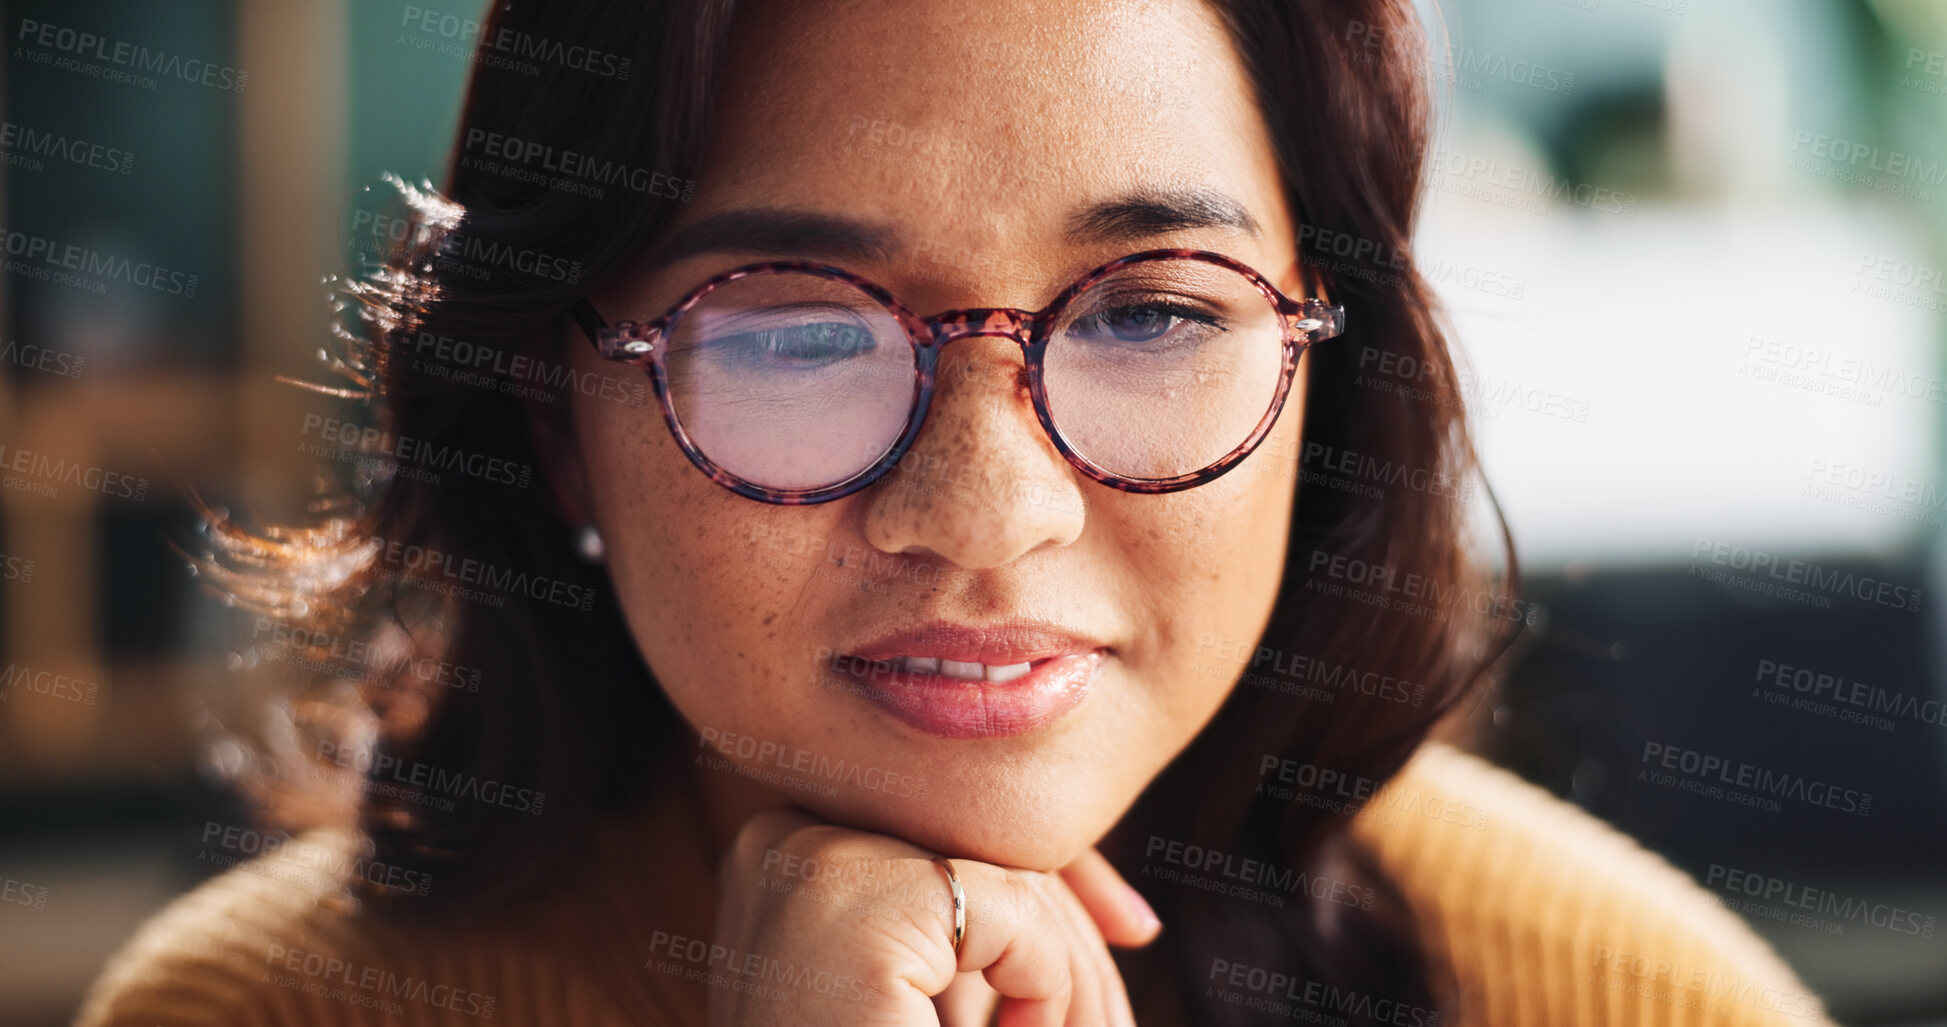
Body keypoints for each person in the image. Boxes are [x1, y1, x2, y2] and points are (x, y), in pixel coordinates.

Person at [76, 0, 1834, 1023]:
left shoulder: (1625, 992)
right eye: (789, 332)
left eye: (1153, 313)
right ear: (553, 421)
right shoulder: (260, 1016)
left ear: (1331, 383)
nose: (988, 514)